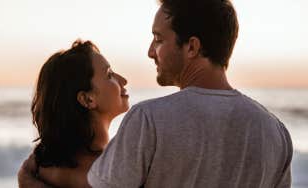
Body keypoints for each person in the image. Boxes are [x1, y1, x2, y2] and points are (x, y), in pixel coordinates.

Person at [19, 0, 293, 187]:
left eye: (159, 39)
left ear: (192, 47)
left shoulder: (148, 120)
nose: (151, 51)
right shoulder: (275, 133)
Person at [18, 40, 129, 187]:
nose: (123, 80)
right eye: (109, 74)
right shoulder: (107, 173)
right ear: (87, 99)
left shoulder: (39, 164)